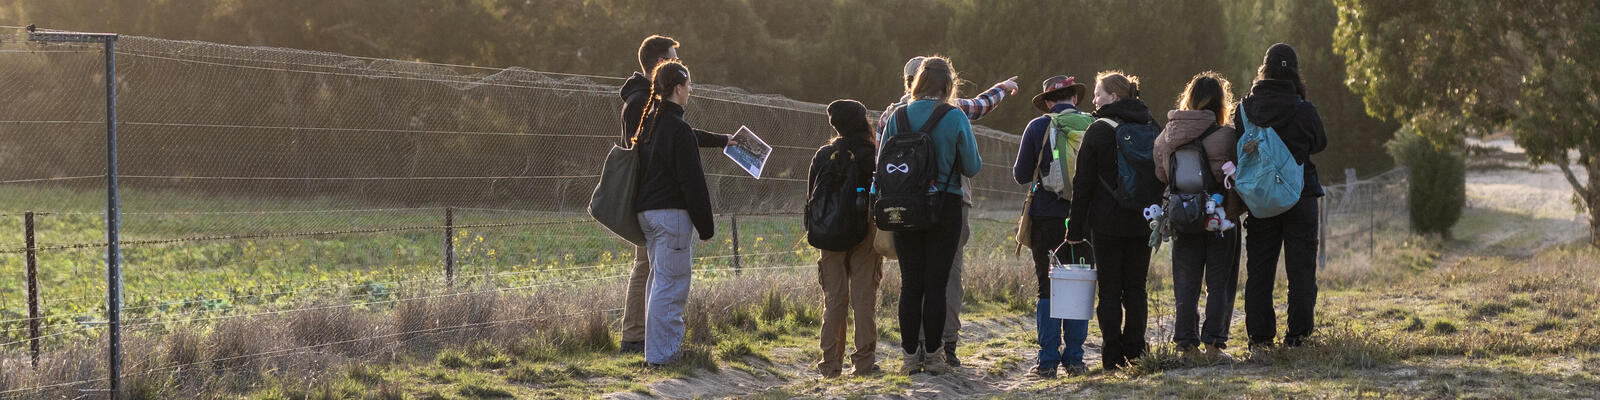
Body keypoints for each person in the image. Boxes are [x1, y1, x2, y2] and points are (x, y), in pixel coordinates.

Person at [880, 56, 1018, 368]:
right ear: (948, 85)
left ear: (916, 82)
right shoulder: (954, 117)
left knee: (910, 284)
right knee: (937, 284)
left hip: (905, 209)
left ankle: (908, 358)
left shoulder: (896, 116)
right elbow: (972, 165)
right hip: (945, 207)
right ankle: (933, 355)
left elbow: (882, 166)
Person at [617, 35, 734, 354]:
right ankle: (645, 343)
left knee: (656, 276)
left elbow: (680, 135)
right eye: (676, 61)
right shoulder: (643, 104)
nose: (681, 67)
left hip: (651, 203)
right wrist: (706, 225)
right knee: (660, 279)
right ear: (661, 66)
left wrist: (722, 140)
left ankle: (647, 341)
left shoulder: (653, 107)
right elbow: (684, 163)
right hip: (662, 203)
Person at [1234, 43, 1328, 351]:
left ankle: (1260, 339)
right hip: (1300, 195)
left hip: (1261, 199)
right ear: (1295, 73)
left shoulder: (1246, 109)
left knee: (1260, 270)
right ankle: (1297, 337)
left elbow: (1238, 144)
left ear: (1264, 70)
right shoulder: (1304, 109)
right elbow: (1319, 144)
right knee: (1301, 270)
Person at [1065, 70, 1158, 372]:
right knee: (1136, 288)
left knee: (1109, 289)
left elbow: (1083, 184)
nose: (1093, 99)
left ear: (1113, 97)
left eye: (1098, 93)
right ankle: (1136, 351)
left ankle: (1111, 355)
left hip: (1106, 223)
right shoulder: (1150, 124)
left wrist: (1075, 228)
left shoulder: (1099, 130)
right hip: (1143, 219)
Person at [1154, 71, 1243, 361]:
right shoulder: (1228, 136)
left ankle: (1186, 346)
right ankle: (1214, 346)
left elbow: (1160, 172)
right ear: (1220, 104)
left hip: (1183, 215)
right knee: (1220, 282)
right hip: (1220, 218)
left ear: (1189, 100)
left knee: (1186, 282)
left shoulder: (1168, 136)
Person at [632, 61, 715, 367]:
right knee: (672, 285)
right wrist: (706, 227)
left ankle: (656, 353)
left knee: (659, 282)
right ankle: (664, 356)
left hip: (649, 213)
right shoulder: (677, 129)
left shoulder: (651, 125)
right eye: (689, 85)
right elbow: (692, 182)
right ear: (679, 88)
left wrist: (723, 140)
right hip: (671, 216)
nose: (691, 90)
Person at [1014, 75, 1095, 378]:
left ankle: (1047, 360)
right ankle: (1074, 358)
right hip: (1084, 216)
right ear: (1074, 97)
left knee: (1046, 286)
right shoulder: (1093, 125)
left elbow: (1021, 175)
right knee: (1078, 283)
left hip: (1046, 215)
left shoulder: (1037, 127)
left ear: (1048, 102)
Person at [808, 100, 885, 378]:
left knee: (834, 298)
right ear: (862, 122)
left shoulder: (823, 154)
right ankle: (863, 363)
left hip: (828, 234)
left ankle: (830, 364)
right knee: (864, 298)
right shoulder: (872, 154)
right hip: (865, 230)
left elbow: (811, 198)